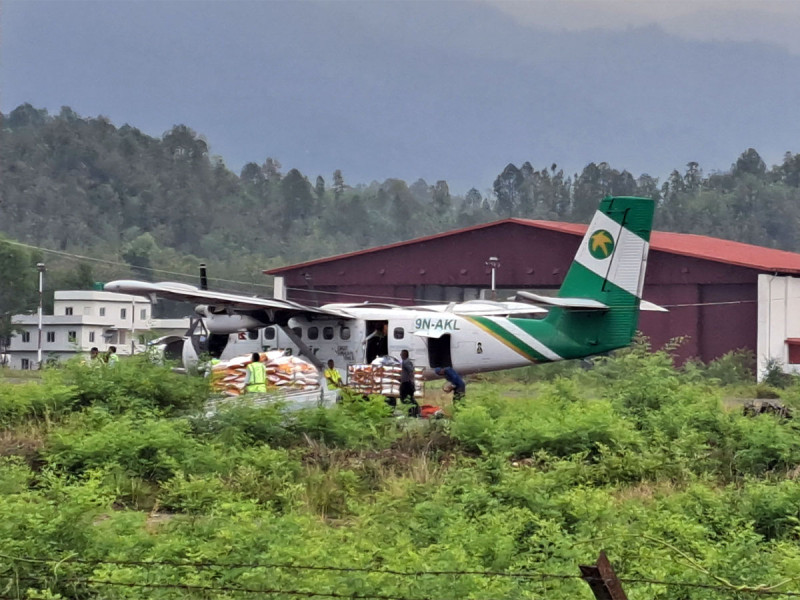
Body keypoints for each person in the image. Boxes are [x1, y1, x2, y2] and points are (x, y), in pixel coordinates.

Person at [399, 349, 419, 417]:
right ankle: (413, 412)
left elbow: (411, 371)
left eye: (401, 354)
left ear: (405, 354)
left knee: (405, 398)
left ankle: (413, 411)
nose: (400, 355)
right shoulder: (406, 362)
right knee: (409, 398)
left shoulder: (405, 362)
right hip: (407, 382)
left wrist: (411, 380)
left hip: (406, 383)